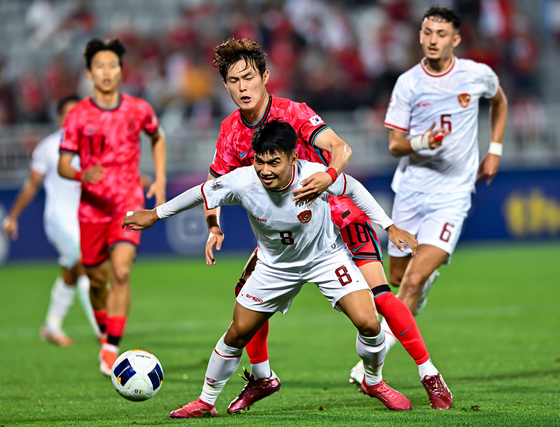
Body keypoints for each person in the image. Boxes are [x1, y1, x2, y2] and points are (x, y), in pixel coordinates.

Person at [204, 37, 452, 412]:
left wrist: (330, 174)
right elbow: (214, 186)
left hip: (338, 215)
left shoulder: (295, 113)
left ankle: (429, 375)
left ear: (265, 77)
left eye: (249, 77)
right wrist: (213, 225)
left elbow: (341, 148)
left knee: (381, 297)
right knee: (247, 302)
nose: (242, 87)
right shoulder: (229, 132)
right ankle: (261, 377)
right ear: (226, 86)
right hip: (290, 234)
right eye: (234, 81)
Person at [123, 120, 419, 418]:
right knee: (237, 333)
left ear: (293, 158)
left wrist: (389, 226)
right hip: (274, 266)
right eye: (260, 161)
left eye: (274, 162)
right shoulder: (243, 180)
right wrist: (155, 215)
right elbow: (201, 192)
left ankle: (374, 381)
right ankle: (205, 401)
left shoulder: (314, 175)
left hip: (326, 258)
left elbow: (353, 188)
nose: (265, 170)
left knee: (370, 322)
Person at [350, 6, 508, 380]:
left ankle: (369, 367)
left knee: (414, 280)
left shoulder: (476, 75)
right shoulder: (408, 83)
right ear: (420, 35)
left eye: (441, 34)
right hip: (411, 191)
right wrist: (422, 140)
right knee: (399, 277)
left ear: (455, 39)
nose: (432, 40)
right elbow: (394, 145)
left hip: (452, 193)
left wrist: (495, 149)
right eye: (427, 32)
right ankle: (420, 287)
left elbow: (499, 102)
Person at [57, 39, 167, 375]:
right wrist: (81, 173)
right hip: (91, 211)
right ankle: (107, 332)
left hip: (127, 204)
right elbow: (63, 164)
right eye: (99, 66)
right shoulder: (78, 115)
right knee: (95, 279)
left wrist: (160, 179)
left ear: (121, 70)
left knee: (120, 271)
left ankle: (110, 348)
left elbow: (157, 136)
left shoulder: (138, 108)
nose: (107, 72)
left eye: (112, 65)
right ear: (90, 73)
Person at [3, 94, 98, 346]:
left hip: (83, 220)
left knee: (71, 272)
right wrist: (12, 217)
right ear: (58, 118)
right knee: (85, 267)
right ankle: (105, 335)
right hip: (59, 220)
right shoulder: (48, 147)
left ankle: (52, 326)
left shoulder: (92, 146)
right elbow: (32, 185)